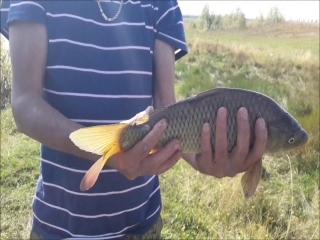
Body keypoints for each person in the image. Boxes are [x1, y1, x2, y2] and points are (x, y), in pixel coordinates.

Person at [0, 0, 267, 239]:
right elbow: (25, 104)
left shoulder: (162, 5)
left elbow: (167, 106)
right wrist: (109, 153)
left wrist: (198, 155)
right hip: (58, 226)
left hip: (141, 225)